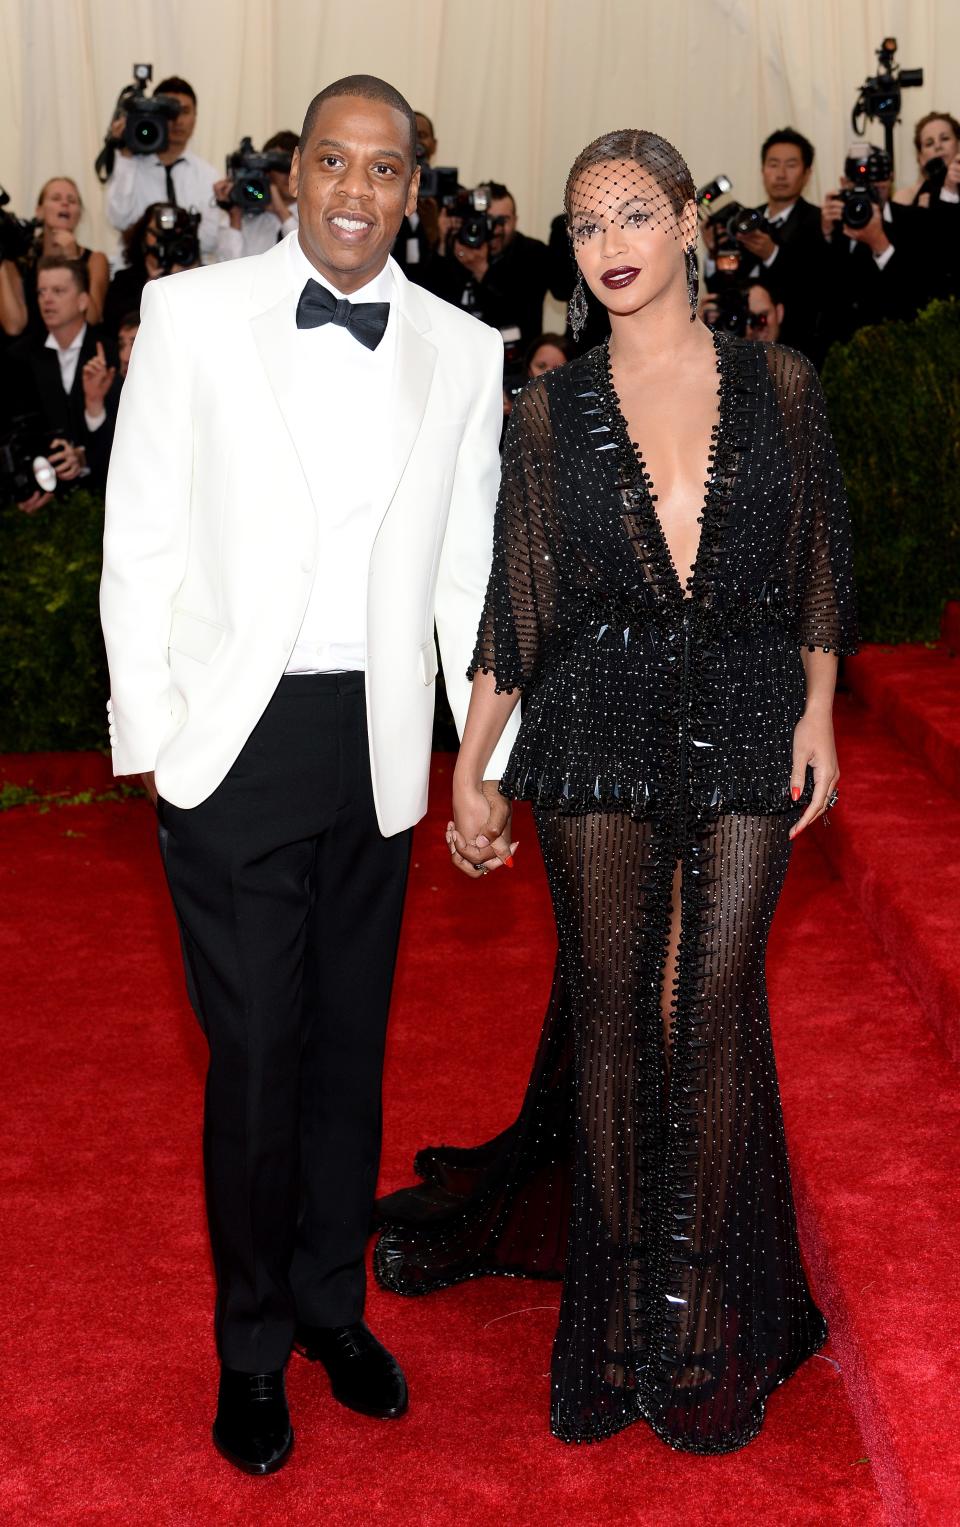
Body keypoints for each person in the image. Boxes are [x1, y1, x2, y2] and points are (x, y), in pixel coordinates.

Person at [375, 127, 858, 1455]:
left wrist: (818, 706)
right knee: (610, 1021)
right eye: (585, 227)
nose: (609, 246)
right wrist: (472, 768)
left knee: (703, 1008)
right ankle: (624, 1302)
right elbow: (515, 610)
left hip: (753, 715)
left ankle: (693, 1303)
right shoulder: (550, 411)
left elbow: (818, 556)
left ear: (692, 219)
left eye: (634, 214)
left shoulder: (783, 385)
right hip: (592, 733)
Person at [99, 73, 517, 1477]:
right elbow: (140, 532)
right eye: (331, 161)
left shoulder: (464, 348)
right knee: (260, 1058)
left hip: (383, 745)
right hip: (236, 745)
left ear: (415, 185)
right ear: (294, 178)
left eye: (383, 166)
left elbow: (467, 574)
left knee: (348, 1050)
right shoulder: (195, 315)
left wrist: (479, 758)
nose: (354, 188)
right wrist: (158, 748)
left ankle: (336, 1305)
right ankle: (251, 1344)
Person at [704, 128, 825, 359]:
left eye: (791, 165)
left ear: (807, 173)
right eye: (773, 164)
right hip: (740, 350)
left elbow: (815, 291)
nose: (781, 174)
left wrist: (772, 254)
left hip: (798, 349)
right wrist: (713, 253)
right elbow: (723, 290)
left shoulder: (819, 223)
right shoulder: (743, 220)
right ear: (762, 171)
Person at [8, 255, 116, 491]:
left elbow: (123, 430)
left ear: (82, 301)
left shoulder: (110, 353)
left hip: (101, 489)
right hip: (44, 491)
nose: (47, 299)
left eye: (58, 291)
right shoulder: (20, 356)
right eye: (41, 292)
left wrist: (82, 455)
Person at [103, 75, 224, 267]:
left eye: (185, 111)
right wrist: (125, 152)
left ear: (195, 118)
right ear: (154, 115)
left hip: (188, 272)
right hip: (138, 274)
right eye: (169, 112)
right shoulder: (130, 166)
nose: (177, 120)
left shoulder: (208, 176)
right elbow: (119, 220)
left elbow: (210, 241)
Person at [426, 181, 550, 352]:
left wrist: (481, 270)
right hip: (458, 354)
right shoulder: (459, 247)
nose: (495, 229)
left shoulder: (533, 253)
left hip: (514, 362)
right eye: (488, 219)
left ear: (515, 220)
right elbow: (429, 301)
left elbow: (521, 314)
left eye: (503, 220)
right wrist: (442, 241)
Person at [0, 177, 109, 337]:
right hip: (29, 355)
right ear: (39, 211)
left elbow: (91, 318)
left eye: (72, 200)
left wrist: (73, 258)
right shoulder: (20, 259)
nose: (65, 204)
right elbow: (13, 326)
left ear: (79, 214)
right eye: (56, 198)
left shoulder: (95, 260)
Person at [101, 203, 201, 336]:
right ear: (143, 237)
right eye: (159, 232)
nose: (166, 239)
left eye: (174, 234)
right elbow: (114, 327)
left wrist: (187, 278)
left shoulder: (196, 275)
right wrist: (147, 294)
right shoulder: (124, 281)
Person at [215, 131, 300, 260]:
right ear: (266, 171)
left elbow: (307, 257)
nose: (288, 174)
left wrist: (281, 212)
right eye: (280, 167)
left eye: (292, 166)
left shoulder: (313, 217)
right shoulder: (244, 218)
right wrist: (235, 216)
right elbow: (228, 269)